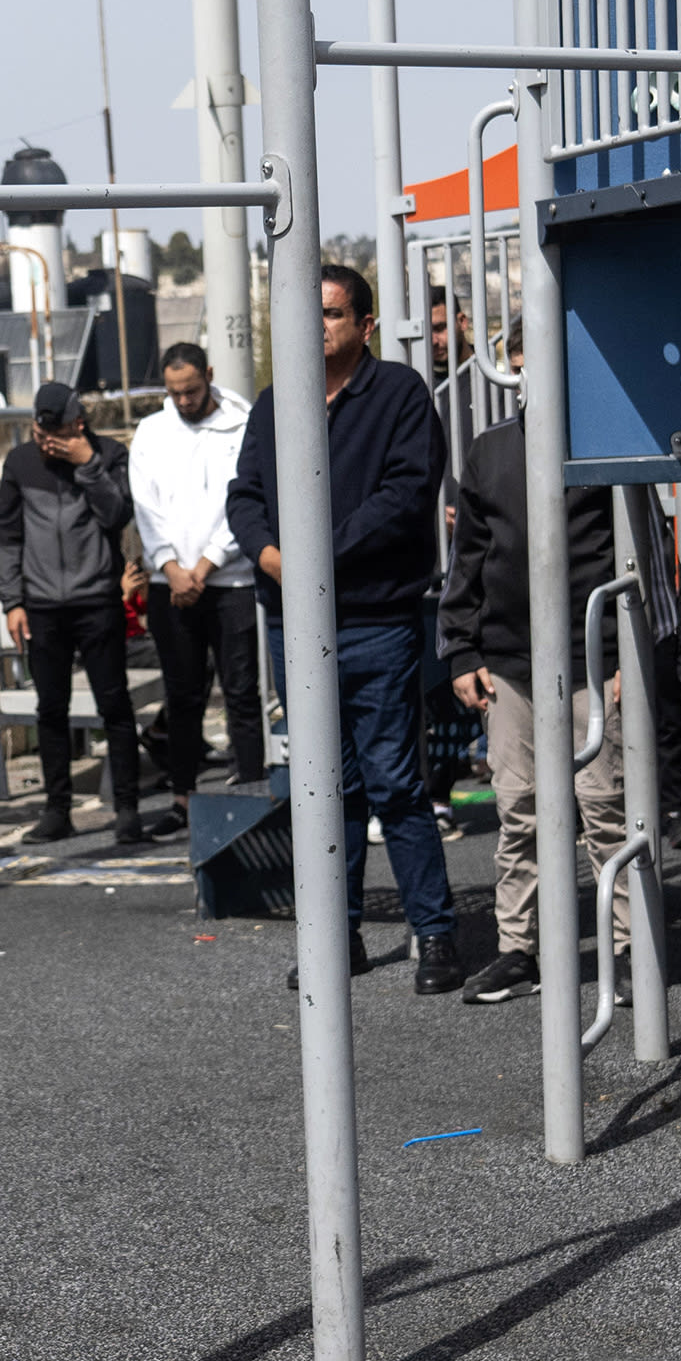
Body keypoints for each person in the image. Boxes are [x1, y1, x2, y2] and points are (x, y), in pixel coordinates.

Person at [227, 263, 457, 991]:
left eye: (331, 313)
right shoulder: (276, 402)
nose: (317, 325)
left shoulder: (399, 394)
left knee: (395, 781)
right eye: (309, 313)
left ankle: (436, 934)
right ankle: (338, 934)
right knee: (326, 786)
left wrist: (315, 556)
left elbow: (405, 496)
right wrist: (272, 556)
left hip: (375, 618)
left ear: (365, 324)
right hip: (292, 620)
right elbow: (244, 495)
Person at [437, 344, 628, 1007]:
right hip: (510, 660)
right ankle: (520, 948)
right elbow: (469, 554)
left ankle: (626, 949)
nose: (531, 372)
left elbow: (636, 550)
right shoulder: (491, 450)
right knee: (518, 811)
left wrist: (630, 657)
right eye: (521, 359)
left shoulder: (605, 444)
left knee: (606, 809)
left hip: (594, 656)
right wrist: (462, 650)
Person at [0, 382, 141, 845]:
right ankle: (57, 811)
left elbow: (117, 515)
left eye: (55, 434)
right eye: (40, 434)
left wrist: (87, 465)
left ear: (77, 424)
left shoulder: (110, 455)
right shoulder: (20, 463)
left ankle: (128, 810)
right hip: (41, 607)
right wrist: (12, 602)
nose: (47, 443)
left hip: (97, 600)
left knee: (114, 705)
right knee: (51, 709)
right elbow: (7, 537)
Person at [128, 344, 263, 830]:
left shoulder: (242, 423)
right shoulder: (151, 432)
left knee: (241, 693)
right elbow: (146, 508)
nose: (184, 401)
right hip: (171, 585)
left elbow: (246, 499)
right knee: (183, 697)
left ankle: (252, 797)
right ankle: (182, 800)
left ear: (208, 375)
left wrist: (206, 565)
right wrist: (171, 567)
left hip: (231, 581)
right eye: (174, 393)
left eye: (191, 390)